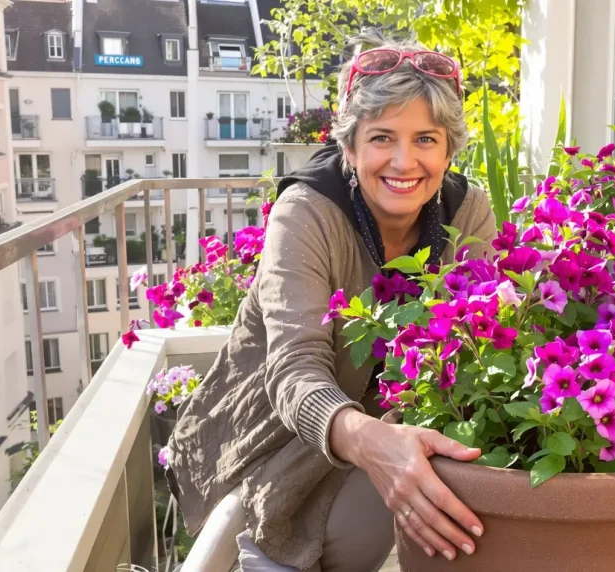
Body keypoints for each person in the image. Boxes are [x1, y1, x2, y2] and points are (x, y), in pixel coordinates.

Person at [166, 31, 497, 572]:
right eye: (382, 137)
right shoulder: (307, 212)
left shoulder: (467, 212)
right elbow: (295, 367)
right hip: (273, 431)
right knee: (302, 538)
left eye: (426, 140)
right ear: (349, 146)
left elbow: (479, 341)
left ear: (449, 149)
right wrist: (375, 443)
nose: (404, 161)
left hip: (390, 424)